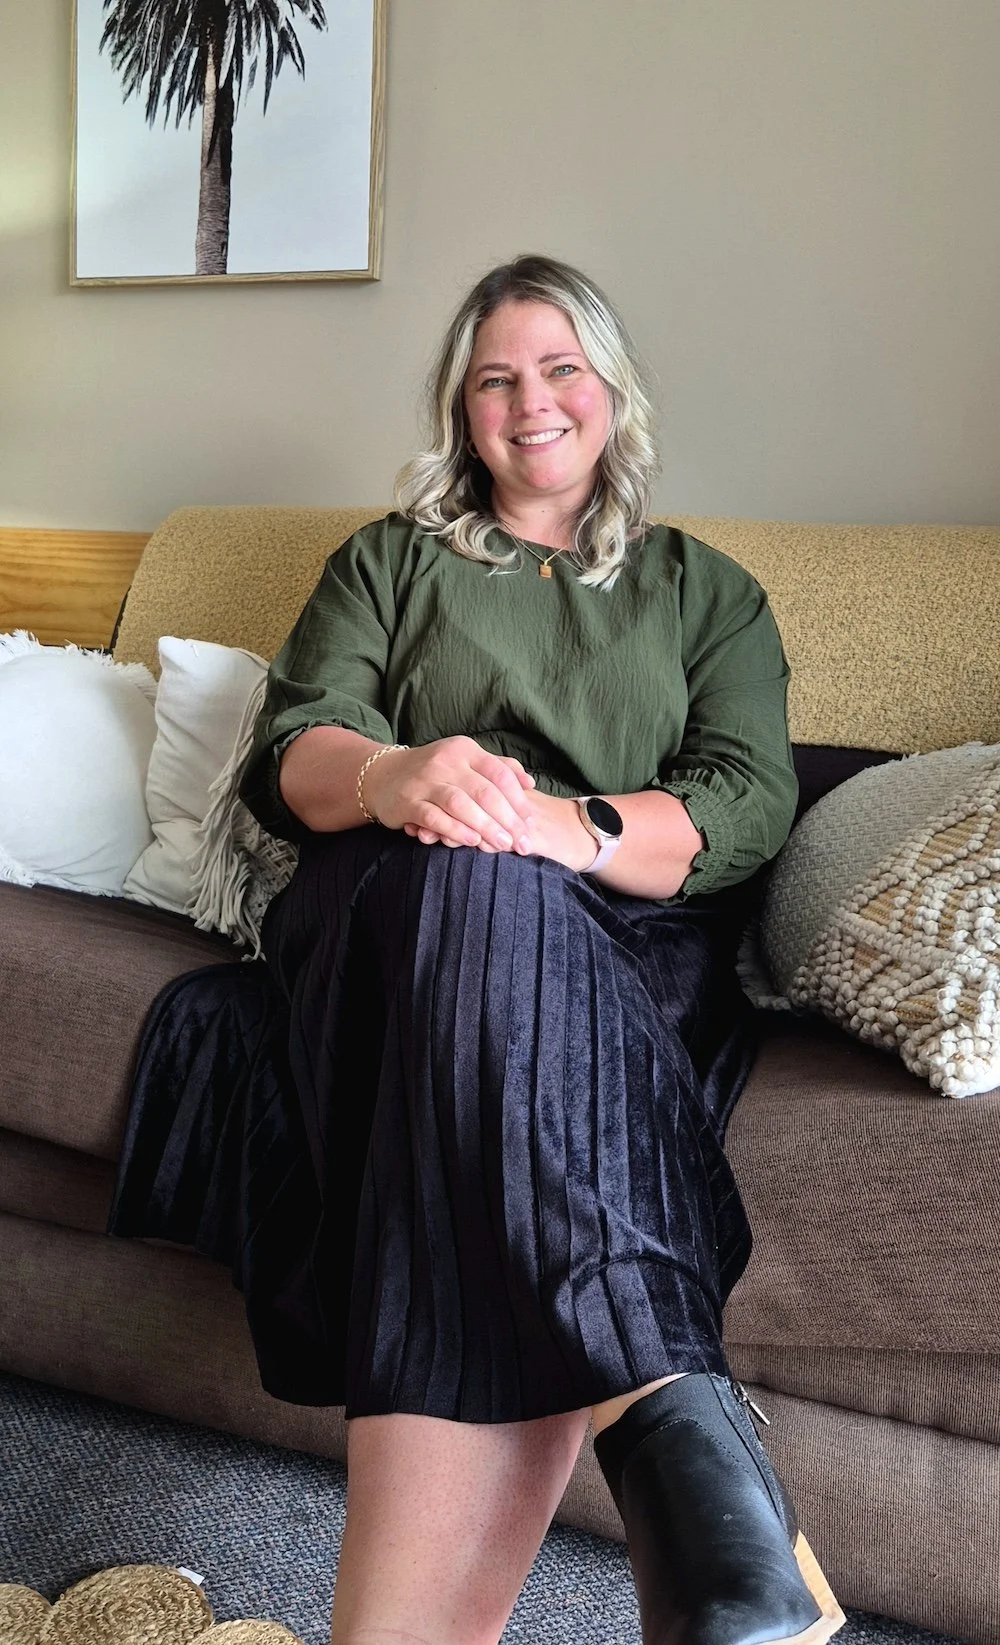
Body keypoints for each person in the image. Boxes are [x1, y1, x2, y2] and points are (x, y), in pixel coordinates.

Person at [150, 253, 841, 1645]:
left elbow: (750, 802)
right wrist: (400, 779)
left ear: (613, 394)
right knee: (466, 895)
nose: (533, 404)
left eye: (562, 369)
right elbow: (298, 746)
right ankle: (680, 1436)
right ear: (462, 412)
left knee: (499, 931)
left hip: (617, 941)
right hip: (387, 914)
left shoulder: (711, 595)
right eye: (495, 380)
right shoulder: (390, 561)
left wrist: (565, 828)